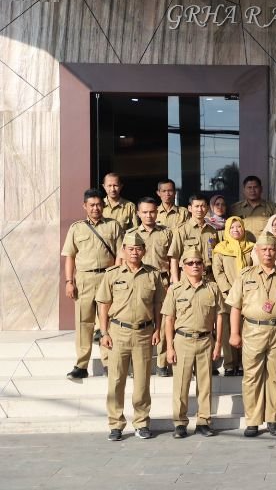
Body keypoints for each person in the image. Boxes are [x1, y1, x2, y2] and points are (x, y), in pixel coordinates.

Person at [226, 232, 276, 437]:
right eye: (264, 249)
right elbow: (235, 307)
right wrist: (234, 333)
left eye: (271, 249)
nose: (268, 253)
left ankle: (273, 419)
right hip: (253, 330)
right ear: (256, 252)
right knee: (252, 377)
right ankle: (252, 421)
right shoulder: (245, 275)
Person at [96, 232, 164, 441]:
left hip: (144, 333)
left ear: (144, 251)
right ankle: (115, 424)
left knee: (142, 382)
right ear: (123, 251)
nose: (134, 252)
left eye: (138, 249)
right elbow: (103, 304)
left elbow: (158, 305)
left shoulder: (153, 274)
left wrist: (158, 329)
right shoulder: (112, 274)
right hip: (118, 333)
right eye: (131, 249)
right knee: (116, 380)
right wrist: (104, 332)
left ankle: (141, 422)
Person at [162, 248, 225, 439]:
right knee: (181, 385)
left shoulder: (212, 288)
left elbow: (220, 316)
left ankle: (203, 421)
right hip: (183, 340)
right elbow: (169, 319)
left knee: (205, 385)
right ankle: (180, 423)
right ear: (183, 266)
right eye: (190, 263)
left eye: (198, 262)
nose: (195, 266)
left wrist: (218, 343)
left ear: (203, 266)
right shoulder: (175, 289)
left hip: (206, 340)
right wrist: (169, 347)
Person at [61, 188, 122, 380]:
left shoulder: (113, 226)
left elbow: (120, 254)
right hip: (84, 280)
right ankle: (81, 365)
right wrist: (69, 281)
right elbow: (70, 257)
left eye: (99, 204)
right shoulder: (76, 228)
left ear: (103, 206)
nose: (96, 208)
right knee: (83, 323)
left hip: (107, 277)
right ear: (85, 206)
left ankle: (109, 363)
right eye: (92, 205)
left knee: (108, 322)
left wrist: (116, 277)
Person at [122, 197, 174, 377]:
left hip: (162, 281)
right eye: (144, 212)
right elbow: (123, 259)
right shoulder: (131, 233)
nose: (148, 215)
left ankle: (161, 363)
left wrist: (173, 282)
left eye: (152, 212)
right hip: (138, 280)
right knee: (138, 321)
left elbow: (173, 258)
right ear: (138, 213)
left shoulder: (167, 232)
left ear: (157, 212)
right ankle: (133, 365)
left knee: (163, 321)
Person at [212, 216, 254, 376]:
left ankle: (244, 363)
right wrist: (228, 290)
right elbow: (218, 271)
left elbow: (255, 269)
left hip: (248, 294)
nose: (236, 230)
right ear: (227, 230)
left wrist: (248, 290)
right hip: (227, 295)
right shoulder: (220, 249)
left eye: (239, 227)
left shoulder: (251, 248)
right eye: (232, 227)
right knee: (227, 329)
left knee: (245, 328)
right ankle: (230, 364)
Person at [168, 194, 218, 283]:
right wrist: (176, 283)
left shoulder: (212, 231)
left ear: (207, 208)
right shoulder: (182, 230)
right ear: (190, 208)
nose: (200, 209)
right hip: (187, 279)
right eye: (197, 206)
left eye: (203, 206)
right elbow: (174, 258)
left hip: (209, 278)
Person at [229, 175, 276, 240]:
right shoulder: (235, 209)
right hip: (243, 245)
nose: (252, 190)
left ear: (261, 189)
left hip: (264, 245)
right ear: (244, 190)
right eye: (249, 187)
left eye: (255, 187)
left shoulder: (272, 207)